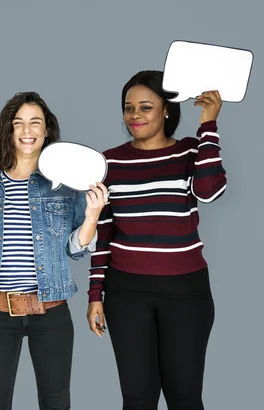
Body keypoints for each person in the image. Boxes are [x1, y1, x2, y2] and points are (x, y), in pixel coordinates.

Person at [0, 91, 108, 409]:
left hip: (51, 312)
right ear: (8, 130)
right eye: (19, 123)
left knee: (56, 402)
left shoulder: (66, 184)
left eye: (35, 123)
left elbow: (76, 249)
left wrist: (93, 216)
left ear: (46, 130)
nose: (27, 131)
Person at [87, 70, 225, 409]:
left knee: (185, 397)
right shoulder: (109, 162)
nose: (135, 115)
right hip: (126, 292)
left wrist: (208, 124)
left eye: (146, 107)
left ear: (166, 110)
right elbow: (103, 233)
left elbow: (210, 191)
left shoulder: (190, 152)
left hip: (186, 292)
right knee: (137, 397)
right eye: (128, 107)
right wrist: (95, 295)